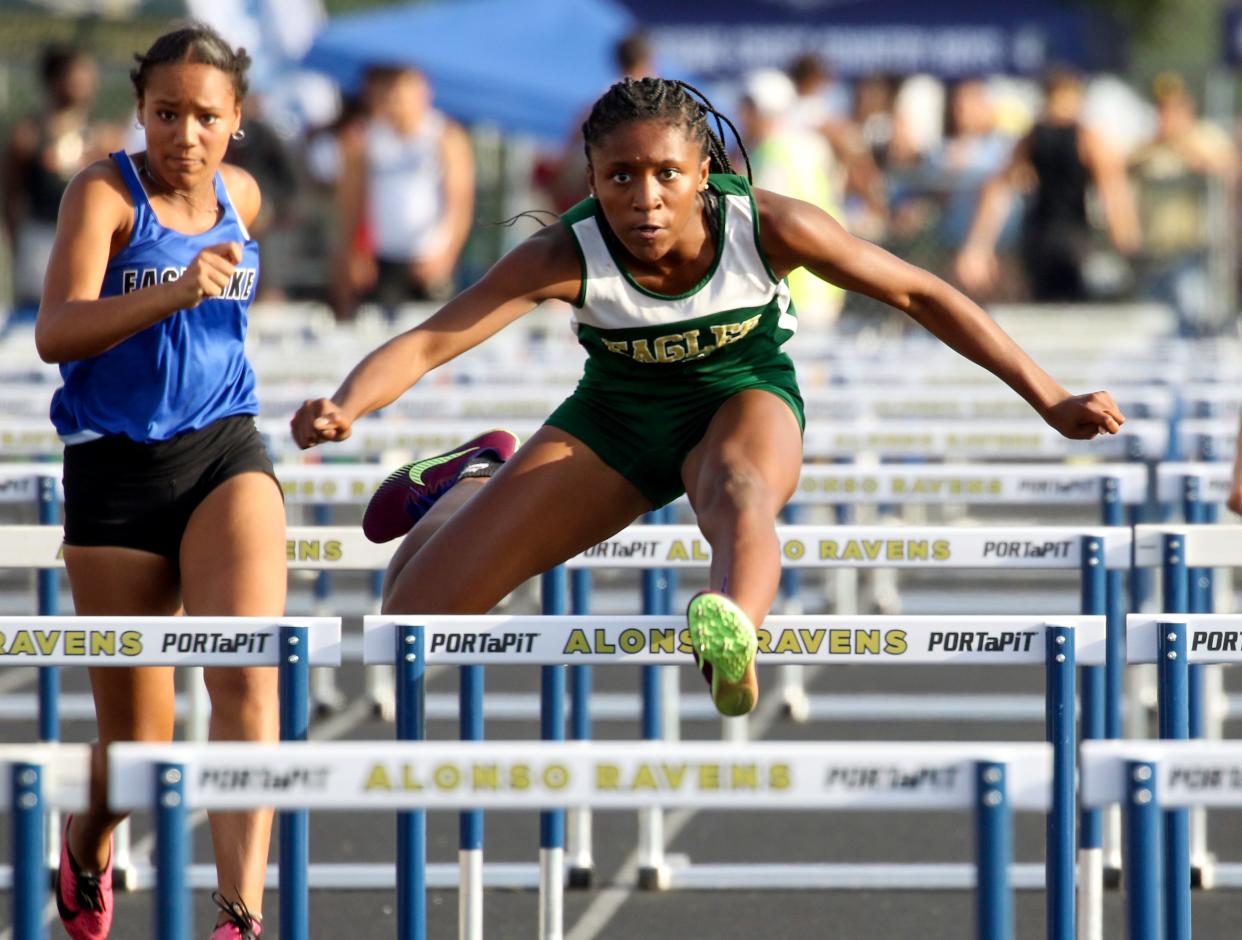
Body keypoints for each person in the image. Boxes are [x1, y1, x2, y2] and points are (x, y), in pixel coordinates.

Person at [291, 76, 1125, 719]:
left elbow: (920, 294)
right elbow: (436, 338)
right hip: (613, 423)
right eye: (620, 176)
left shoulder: (767, 225)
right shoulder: (564, 252)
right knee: (409, 621)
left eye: (665, 175)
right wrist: (347, 404)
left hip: (743, 393)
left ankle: (731, 628)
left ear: (703, 173)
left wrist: (1048, 397)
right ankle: (474, 479)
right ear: (590, 174)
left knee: (740, 489)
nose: (644, 199)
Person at [35, 24, 285, 940]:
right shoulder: (103, 192)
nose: (185, 135)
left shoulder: (241, 195)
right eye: (166, 113)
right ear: (140, 112)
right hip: (114, 469)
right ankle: (89, 835)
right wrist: (173, 290)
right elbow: (56, 331)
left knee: (246, 676)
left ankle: (239, 916)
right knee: (141, 751)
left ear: (237, 122)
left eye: (205, 117)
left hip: (225, 450)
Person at [955, 66, 1140, 302]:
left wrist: (978, 247)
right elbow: (1114, 194)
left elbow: (999, 189)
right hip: (1073, 238)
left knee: (1043, 307)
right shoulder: (1087, 140)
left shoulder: (1032, 138)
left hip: (1038, 237)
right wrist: (1127, 243)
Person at [330, 64, 475, 319]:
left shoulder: (444, 135)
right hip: (382, 257)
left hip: (429, 256)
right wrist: (354, 252)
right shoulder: (364, 139)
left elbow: (460, 202)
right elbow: (351, 202)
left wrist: (447, 253)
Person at [2, 44, 122, 323]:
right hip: (41, 239)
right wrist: (17, 242)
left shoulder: (105, 139)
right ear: (55, 79)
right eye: (78, 74)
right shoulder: (28, 137)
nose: (86, 82)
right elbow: (10, 194)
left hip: (90, 242)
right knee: (37, 319)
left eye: (90, 74)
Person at [1130, 72, 1237, 337]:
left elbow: (1227, 168)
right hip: (1153, 253)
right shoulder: (1148, 144)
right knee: (1156, 331)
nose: (1167, 114)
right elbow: (1125, 168)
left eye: (1173, 107)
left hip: (1195, 250)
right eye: (1162, 107)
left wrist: (1182, 144)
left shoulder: (1206, 136)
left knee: (1194, 323)